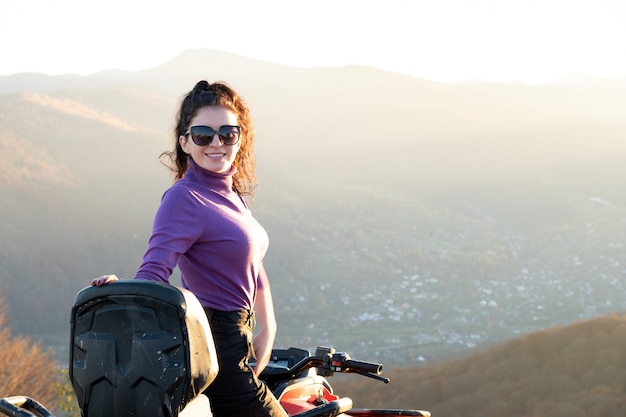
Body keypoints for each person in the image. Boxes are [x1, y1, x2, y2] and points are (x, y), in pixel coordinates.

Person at [91, 80, 288, 417]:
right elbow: (154, 272)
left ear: (240, 138)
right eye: (203, 135)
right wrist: (122, 291)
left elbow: (253, 263)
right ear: (184, 142)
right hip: (216, 348)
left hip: (238, 342)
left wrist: (268, 330)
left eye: (228, 133)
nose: (217, 143)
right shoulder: (184, 199)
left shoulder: (231, 195)